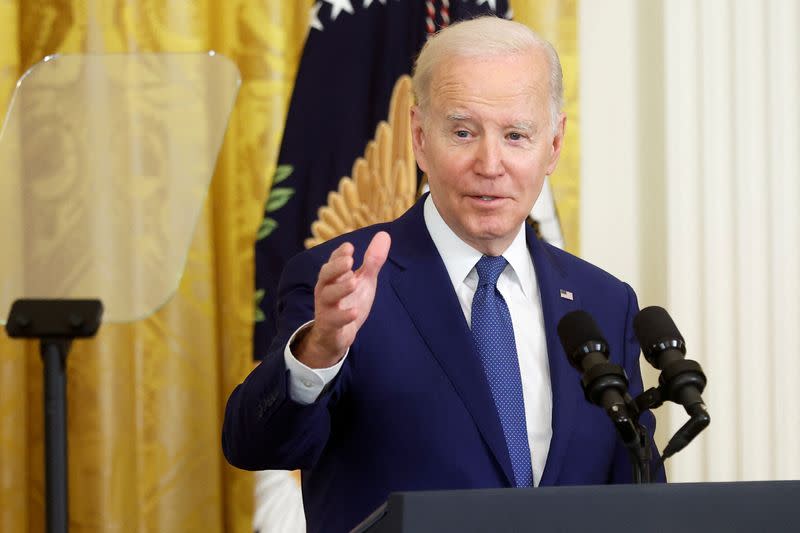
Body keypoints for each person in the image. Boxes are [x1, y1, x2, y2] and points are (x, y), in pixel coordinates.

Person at [223, 16, 663, 533]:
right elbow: (254, 443)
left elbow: (638, 492)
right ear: (419, 137)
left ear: (555, 144)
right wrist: (318, 351)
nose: (490, 163)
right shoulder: (343, 284)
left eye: (517, 135)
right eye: (463, 132)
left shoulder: (604, 304)